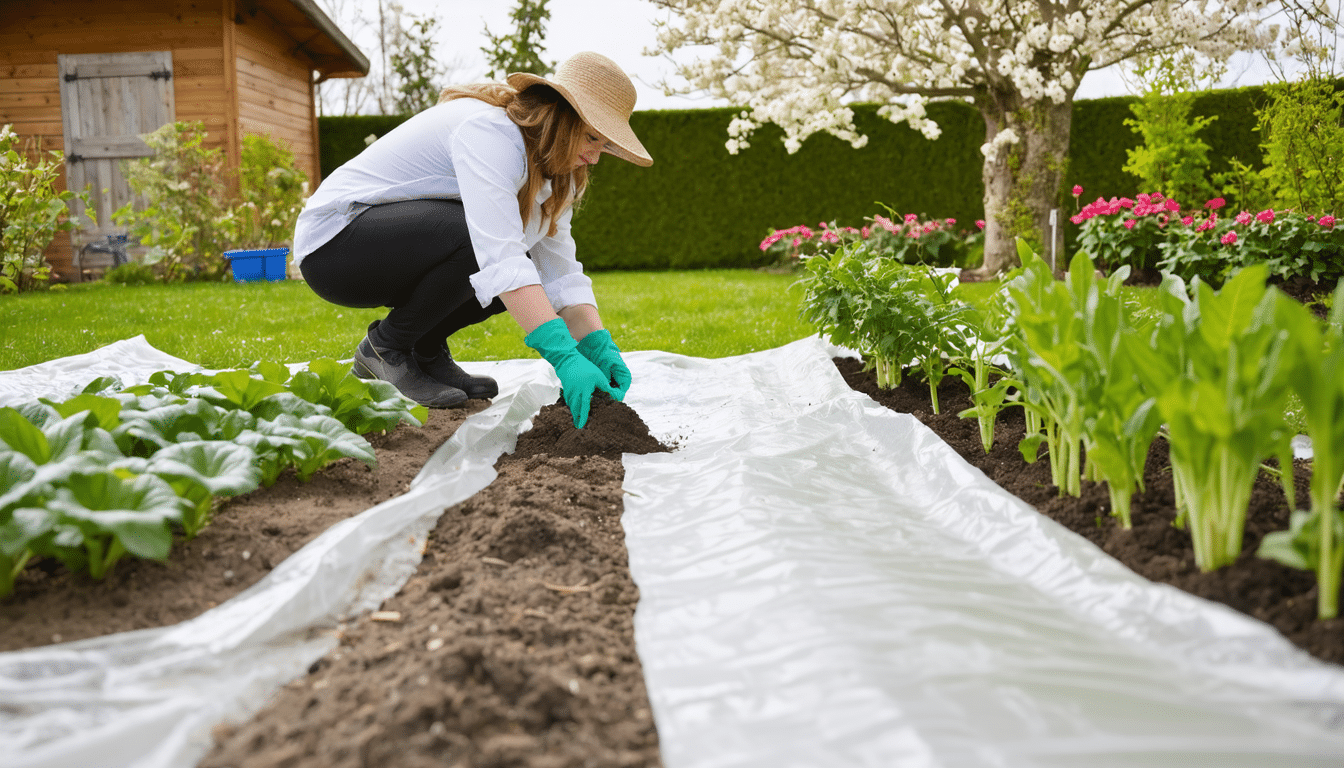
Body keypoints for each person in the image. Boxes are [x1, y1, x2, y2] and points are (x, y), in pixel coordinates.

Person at [292, 52, 652, 428]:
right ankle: (387, 348)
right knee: (485, 247)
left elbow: (558, 272)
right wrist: (564, 357)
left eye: (605, 145)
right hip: (335, 248)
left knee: (522, 266)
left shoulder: (554, 176)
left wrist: (596, 342)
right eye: (592, 138)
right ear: (559, 117)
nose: (595, 158)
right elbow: (499, 257)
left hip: (382, 251)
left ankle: (424, 349)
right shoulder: (491, 134)